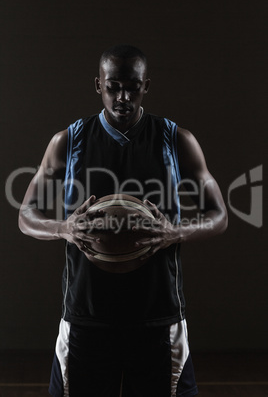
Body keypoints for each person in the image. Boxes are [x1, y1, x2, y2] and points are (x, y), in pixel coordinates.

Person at [18, 44, 228, 397]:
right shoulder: (67, 142)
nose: (123, 96)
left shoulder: (176, 141)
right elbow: (26, 215)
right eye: (113, 86)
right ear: (98, 85)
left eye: (133, 86)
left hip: (157, 316)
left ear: (147, 86)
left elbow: (219, 216)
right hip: (87, 315)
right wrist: (64, 228)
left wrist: (173, 232)